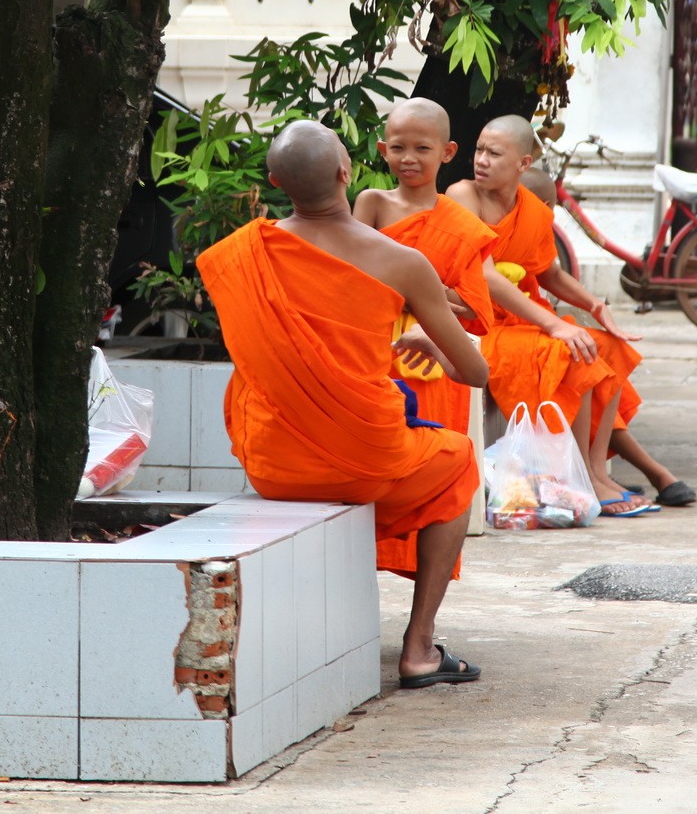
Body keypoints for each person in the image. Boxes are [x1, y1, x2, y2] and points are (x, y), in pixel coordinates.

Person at [199, 120, 488, 688]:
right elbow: (474, 373)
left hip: (273, 468)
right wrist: (430, 340)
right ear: (345, 172)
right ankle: (420, 648)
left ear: (276, 182)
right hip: (368, 462)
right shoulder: (401, 260)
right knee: (457, 459)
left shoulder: (243, 255)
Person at [449, 116, 692, 515]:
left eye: (494, 153)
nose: (481, 160)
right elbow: (486, 276)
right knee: (571, 353)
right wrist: (555, 324)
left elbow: (549, 273)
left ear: (523, 164)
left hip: (525, 319)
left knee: (607, 348)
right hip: (478, 323)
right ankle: (582, 479)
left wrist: (595, 306)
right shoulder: (464, 195)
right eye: (479, 150)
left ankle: (596, 471)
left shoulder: (531, 209)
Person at [352, 98, 498, 439]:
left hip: (437, 346)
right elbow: (354, 278)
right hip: (377, 343)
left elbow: (470, 306)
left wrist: (411, 295)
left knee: (432, 439)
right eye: (399, 147)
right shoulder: (372, 203)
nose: (409, 158)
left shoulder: (460, 222)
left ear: (446, 152)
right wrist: (425, 296)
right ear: (383, 149)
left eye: (422, 148)